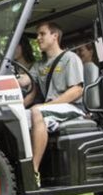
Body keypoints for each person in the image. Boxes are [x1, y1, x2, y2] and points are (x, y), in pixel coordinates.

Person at [25, 22, 85, 180]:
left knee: (37, 112)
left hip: (73, 108)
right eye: (37, 35)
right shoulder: (39, 64)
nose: (38, 38)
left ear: (55, 36)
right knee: (18, 117)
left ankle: (33, 173)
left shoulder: (70, 58)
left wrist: (47, 106)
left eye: (42, 34)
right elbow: (25, 80)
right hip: (50, 109)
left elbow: (77, 90)